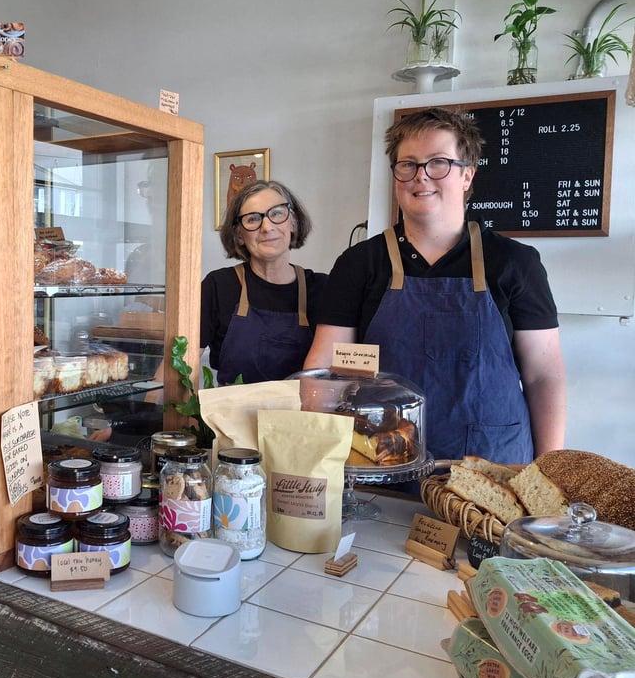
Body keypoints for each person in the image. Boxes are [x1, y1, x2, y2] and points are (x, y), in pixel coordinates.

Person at [304, 107, 566, 463]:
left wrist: (551, 470)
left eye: (438, 163)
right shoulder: (358, 264)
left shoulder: (515, 263)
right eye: (407, 164)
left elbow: (543, 376)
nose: (420, 176)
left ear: (467, 176)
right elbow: (325, 369)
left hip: (493, 467)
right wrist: (312, 457)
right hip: (384, 463)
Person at [201, 180, 327, 384]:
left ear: (293, 222)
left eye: (277, 213)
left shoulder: (323, 289)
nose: (267, 227)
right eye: (252, 219)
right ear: (239, 235)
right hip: (232, 414)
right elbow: (182, 364)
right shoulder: (218, 286)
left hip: (302, 415)